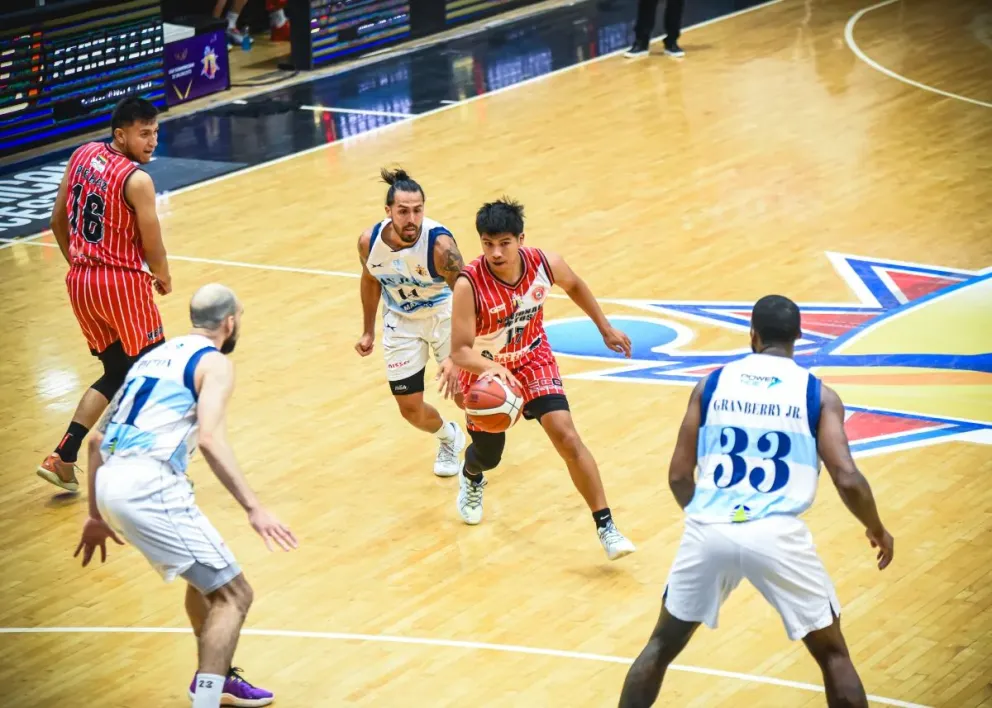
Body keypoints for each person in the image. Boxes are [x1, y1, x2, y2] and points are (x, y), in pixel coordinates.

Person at [618, 295, 895, 707]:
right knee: (833, 654)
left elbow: (678, 475)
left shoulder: (710, 384)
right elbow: (848, 478)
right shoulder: (819, 396)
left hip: (709, 529)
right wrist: (875, 526)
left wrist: (708, 520)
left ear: (753, 334)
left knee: (661, 644)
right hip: (777, 533)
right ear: (799, 337)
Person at [74, 284, 296, 708]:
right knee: (235, 595)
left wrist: (96, 515)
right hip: (149, 486)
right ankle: (207, 700)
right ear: (229, 323)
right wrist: (254, 507)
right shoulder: (213, 363)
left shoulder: (152, 357)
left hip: (110, 483)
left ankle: (212, 678)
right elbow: (210, 440)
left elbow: (95, 440)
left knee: (204, 579)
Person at [449, 198, 636, 560]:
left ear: (521, 239)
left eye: (504, 243)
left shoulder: (545, 264)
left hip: (533, 357)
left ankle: (606, 526)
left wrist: (604, 327)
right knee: (489, 456)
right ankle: (472, 474)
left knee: (566, 435)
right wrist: (493, 369)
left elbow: (576, 285)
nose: (496, 252)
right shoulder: (468, 284)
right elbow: (459, 351)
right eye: (488, 244)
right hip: (486, 369)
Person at [38, 96, 173, 493]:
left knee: (116, 372)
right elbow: (152, 241)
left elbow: (56, 219)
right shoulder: (138, 180)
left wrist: (79, 266)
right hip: (122, 284)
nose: (152, 142)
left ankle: (63, 455)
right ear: (120, 134)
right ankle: (136, 462)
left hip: (81, 282)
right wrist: (163, 275)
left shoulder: (81, 155)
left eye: (155, 133)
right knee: (154, 372)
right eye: (144, 134)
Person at [355, 168, 467, 477]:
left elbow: (467, 294)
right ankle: (449, 437)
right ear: (388, 211)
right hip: (401, 321)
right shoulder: (369, 242)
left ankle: (479, 461)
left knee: (465, 395)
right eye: (403, 211)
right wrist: (368, 330)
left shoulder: (441, 248)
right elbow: (370, 280)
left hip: (445, 314)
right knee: (410, 409)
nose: (411, 218)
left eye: (418, 210)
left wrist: (458, 353)